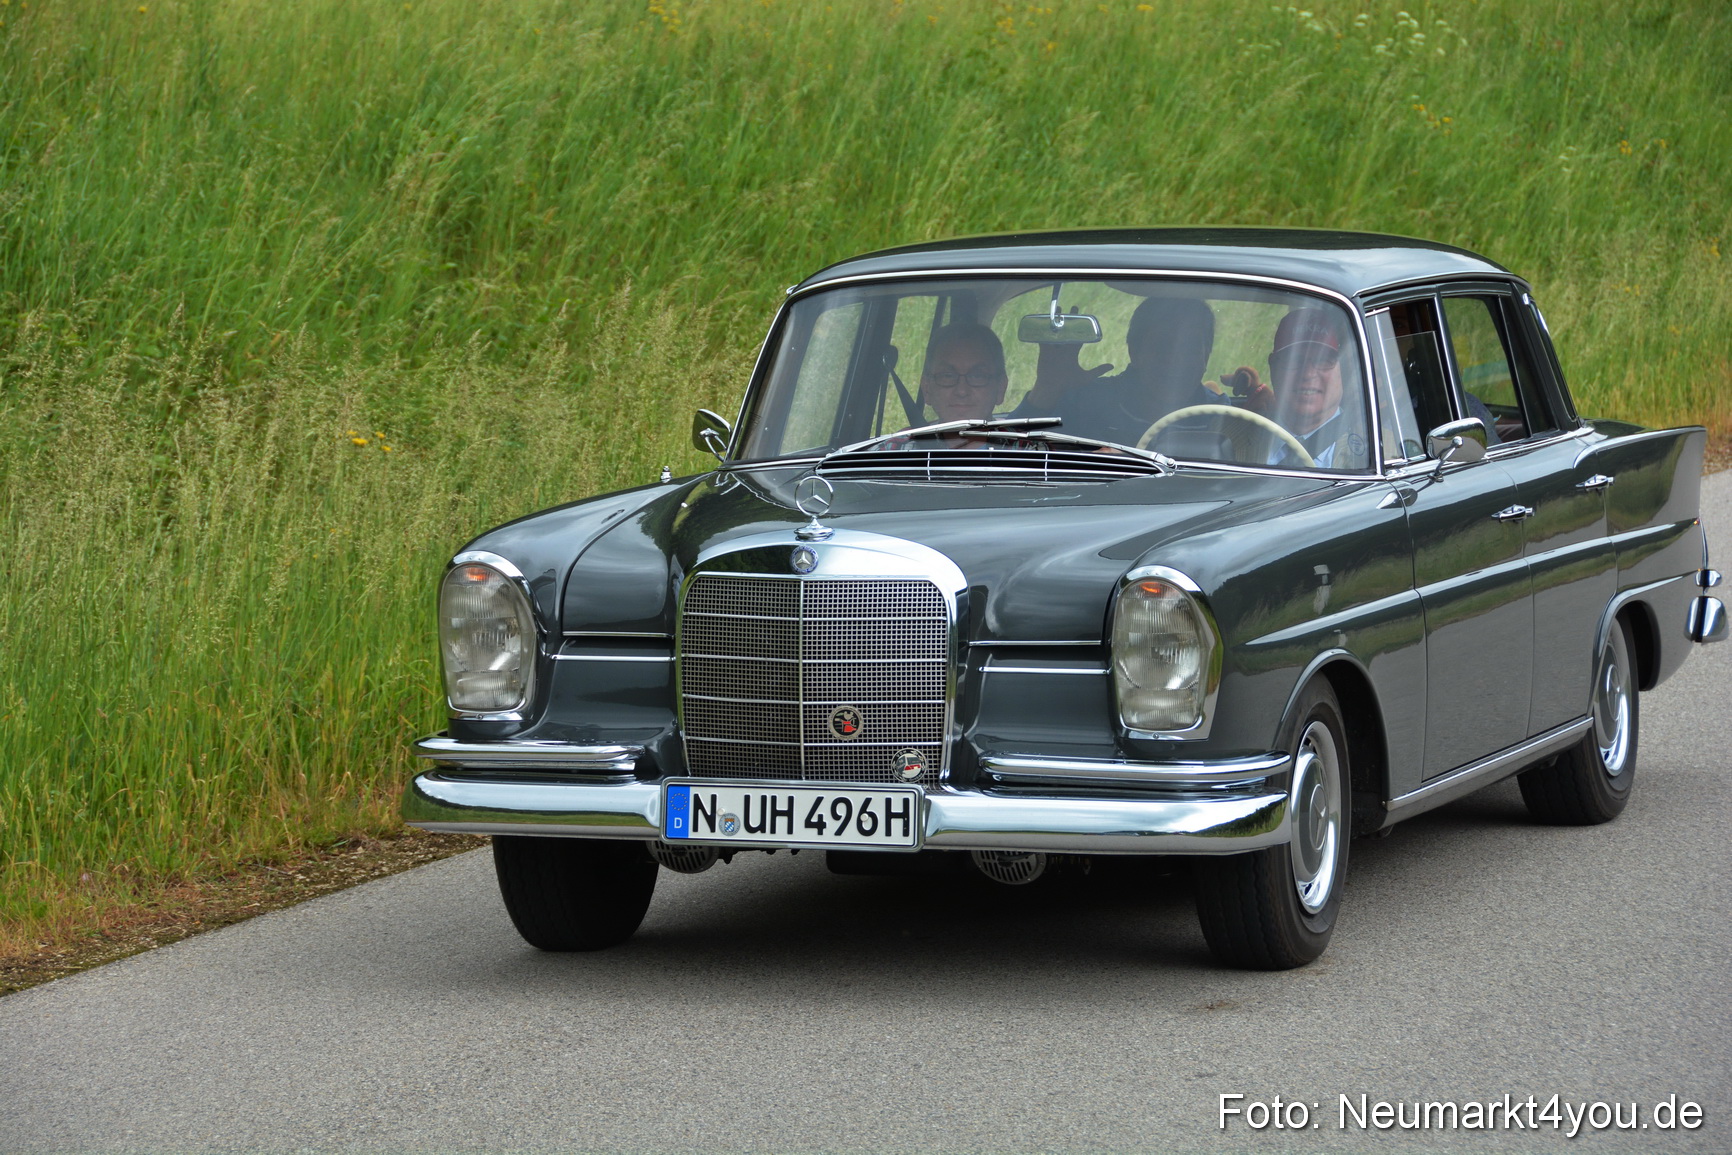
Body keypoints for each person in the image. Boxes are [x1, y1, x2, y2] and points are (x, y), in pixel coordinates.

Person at [1013, 296, 1223, 449]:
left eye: (1191, 347)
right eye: (1163, 345)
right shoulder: (1086, 402)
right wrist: (1046, 390)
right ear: (1134, 352)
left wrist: (1256, 404)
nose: (1176, 360)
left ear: (1206, 357)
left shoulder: (1220, 416)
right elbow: (1007, 452)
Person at [1264, 307, 1366, 469]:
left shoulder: (1381, 450)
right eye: (1294, 359)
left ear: (1344, 368)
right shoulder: (1229, 438)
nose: (1308, 373)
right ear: (1273, 367)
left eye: (1323, 360)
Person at [899, 322, 1009, 448]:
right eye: (947, 376)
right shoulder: (891, 454)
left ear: (1001, 388)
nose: (962, 391)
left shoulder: (1028, 454)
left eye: (977, 376)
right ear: (927, 388)